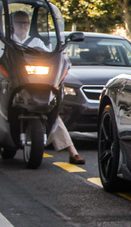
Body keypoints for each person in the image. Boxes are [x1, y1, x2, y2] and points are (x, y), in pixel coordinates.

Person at [10, 11, 85, 164]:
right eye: (19, 22)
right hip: (13, 83)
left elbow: (50, 57)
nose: (23, 26)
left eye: (25, 23)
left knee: (51, 110)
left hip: (35, 83)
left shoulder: (36, 42)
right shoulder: (7, 41)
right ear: (12, 25)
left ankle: (72, 151)